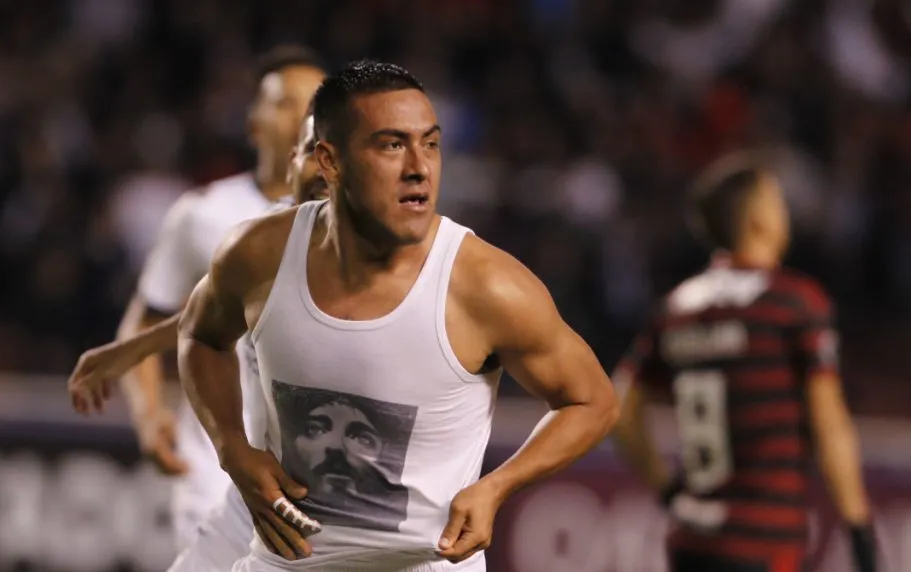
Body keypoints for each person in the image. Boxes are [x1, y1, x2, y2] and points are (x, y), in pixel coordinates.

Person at [176, 59, 619, 572]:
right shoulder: (259, 255)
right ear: (330, 161)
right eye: (391, 145)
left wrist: (497, 486)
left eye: (430, 143)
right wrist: (230, 445)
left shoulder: (486, 286)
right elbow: (200, 336)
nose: (419, 166)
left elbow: (593, 401)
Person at [68, 44, 326, 551]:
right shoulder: (203, 213)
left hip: (309, 476)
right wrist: (148, 416)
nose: (303, 115)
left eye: (316, 101)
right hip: (214, 468)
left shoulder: (349, 222)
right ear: (253, 122)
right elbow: (152, 319)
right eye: (285, 102)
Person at [610, 154, 876, 572]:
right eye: (777, 200)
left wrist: (667, 492)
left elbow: (621, 409)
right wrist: (859, 530)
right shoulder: (793, 302)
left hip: (691, 538)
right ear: (758, 219)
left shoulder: (676, 308)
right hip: (763, 539)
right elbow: (831, 424)